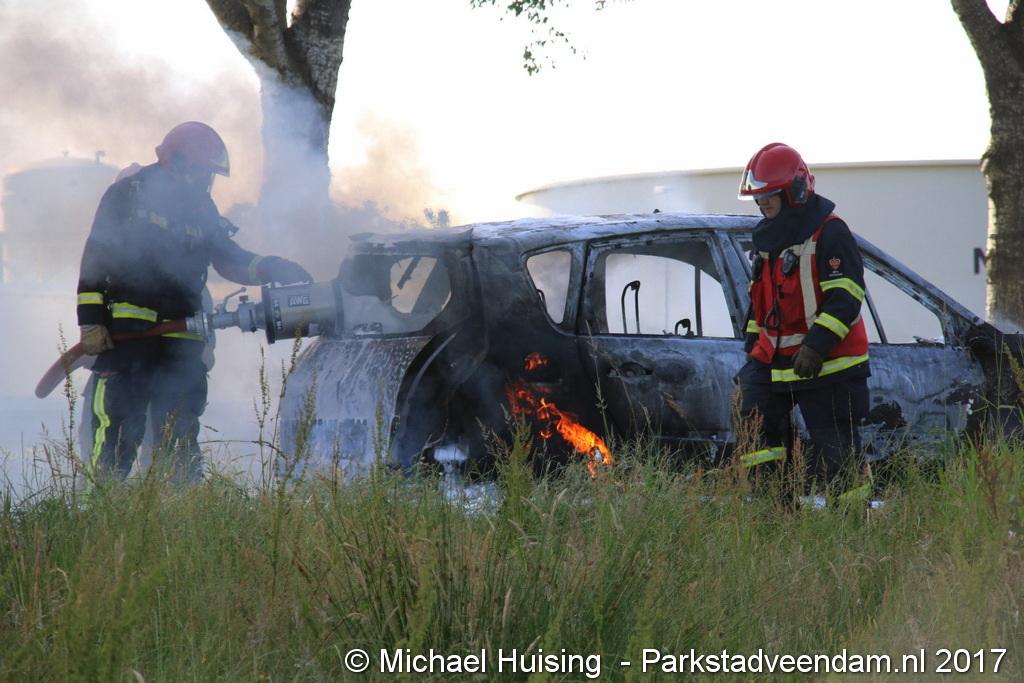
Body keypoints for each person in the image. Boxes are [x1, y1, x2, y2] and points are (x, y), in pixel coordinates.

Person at [76, 121, 312, 482]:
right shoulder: (128, 194)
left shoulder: (202, 208)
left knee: (179, 438)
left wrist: (269, 266)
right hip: (128, 340)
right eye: (203, 172)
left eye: (210, 176)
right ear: (178, 161)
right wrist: (91, 322)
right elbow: (96, 258)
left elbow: (227, 257)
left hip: (182, 342)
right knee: (117, 433)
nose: (206, 182)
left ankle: (179, 508)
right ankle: (100, 508)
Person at [733, 142, 870, 499]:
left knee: (837, 453)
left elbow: (846, 297)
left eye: (769, 195)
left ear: (794, 191)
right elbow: (760, 302)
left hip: (828, 364)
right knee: (754, 421)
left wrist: (815, 347)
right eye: (758, 197)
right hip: (775, 360)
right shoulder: (768, 236)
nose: (762, 203)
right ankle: (773, 511)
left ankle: (851, 520)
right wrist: (753, 349)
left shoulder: (830, 232)